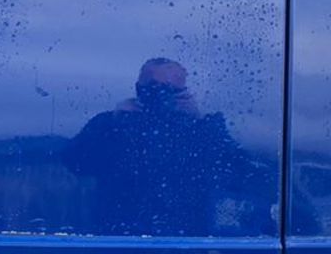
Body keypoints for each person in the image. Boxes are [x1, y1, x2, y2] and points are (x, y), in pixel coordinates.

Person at [62, 58, 262, 235]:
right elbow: (75, 163)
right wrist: (112, 123)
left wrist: (200, 121)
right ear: (138, 87)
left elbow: (237, 171)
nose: (160, 95)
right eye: (153, 87)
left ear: (183, 92)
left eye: (169, 89)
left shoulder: (198, 129)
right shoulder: (114, 124)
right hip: (119, 239)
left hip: (184, 243)